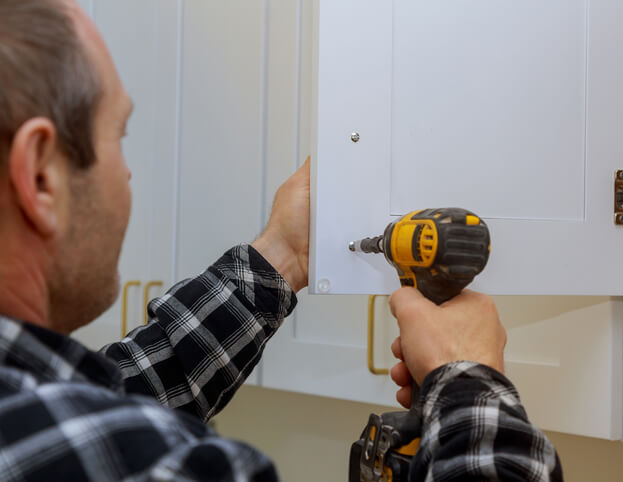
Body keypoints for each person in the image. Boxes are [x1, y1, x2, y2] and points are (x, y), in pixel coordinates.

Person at [0, 0, 563, 480]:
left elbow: (133, 387)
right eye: (117, 137)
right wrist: (471, 382)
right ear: (41, 175)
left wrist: (284, 255)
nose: (126, 174)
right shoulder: (154, 464)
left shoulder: (36, 417)